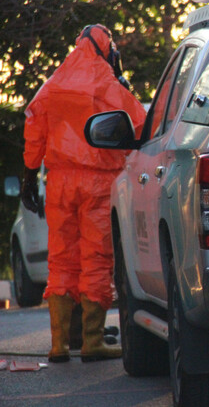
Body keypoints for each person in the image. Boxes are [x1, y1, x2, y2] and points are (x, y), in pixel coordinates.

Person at [21, 24, 146, 363]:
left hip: (59, 182)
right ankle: (92, 341)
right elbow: (140, 124)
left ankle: (59, 345)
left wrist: (30, 175)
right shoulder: (106, 81)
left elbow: (34, 124)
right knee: (96, 259)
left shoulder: (55, 82)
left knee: (61, 259)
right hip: (98, 183)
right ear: (107, 49)